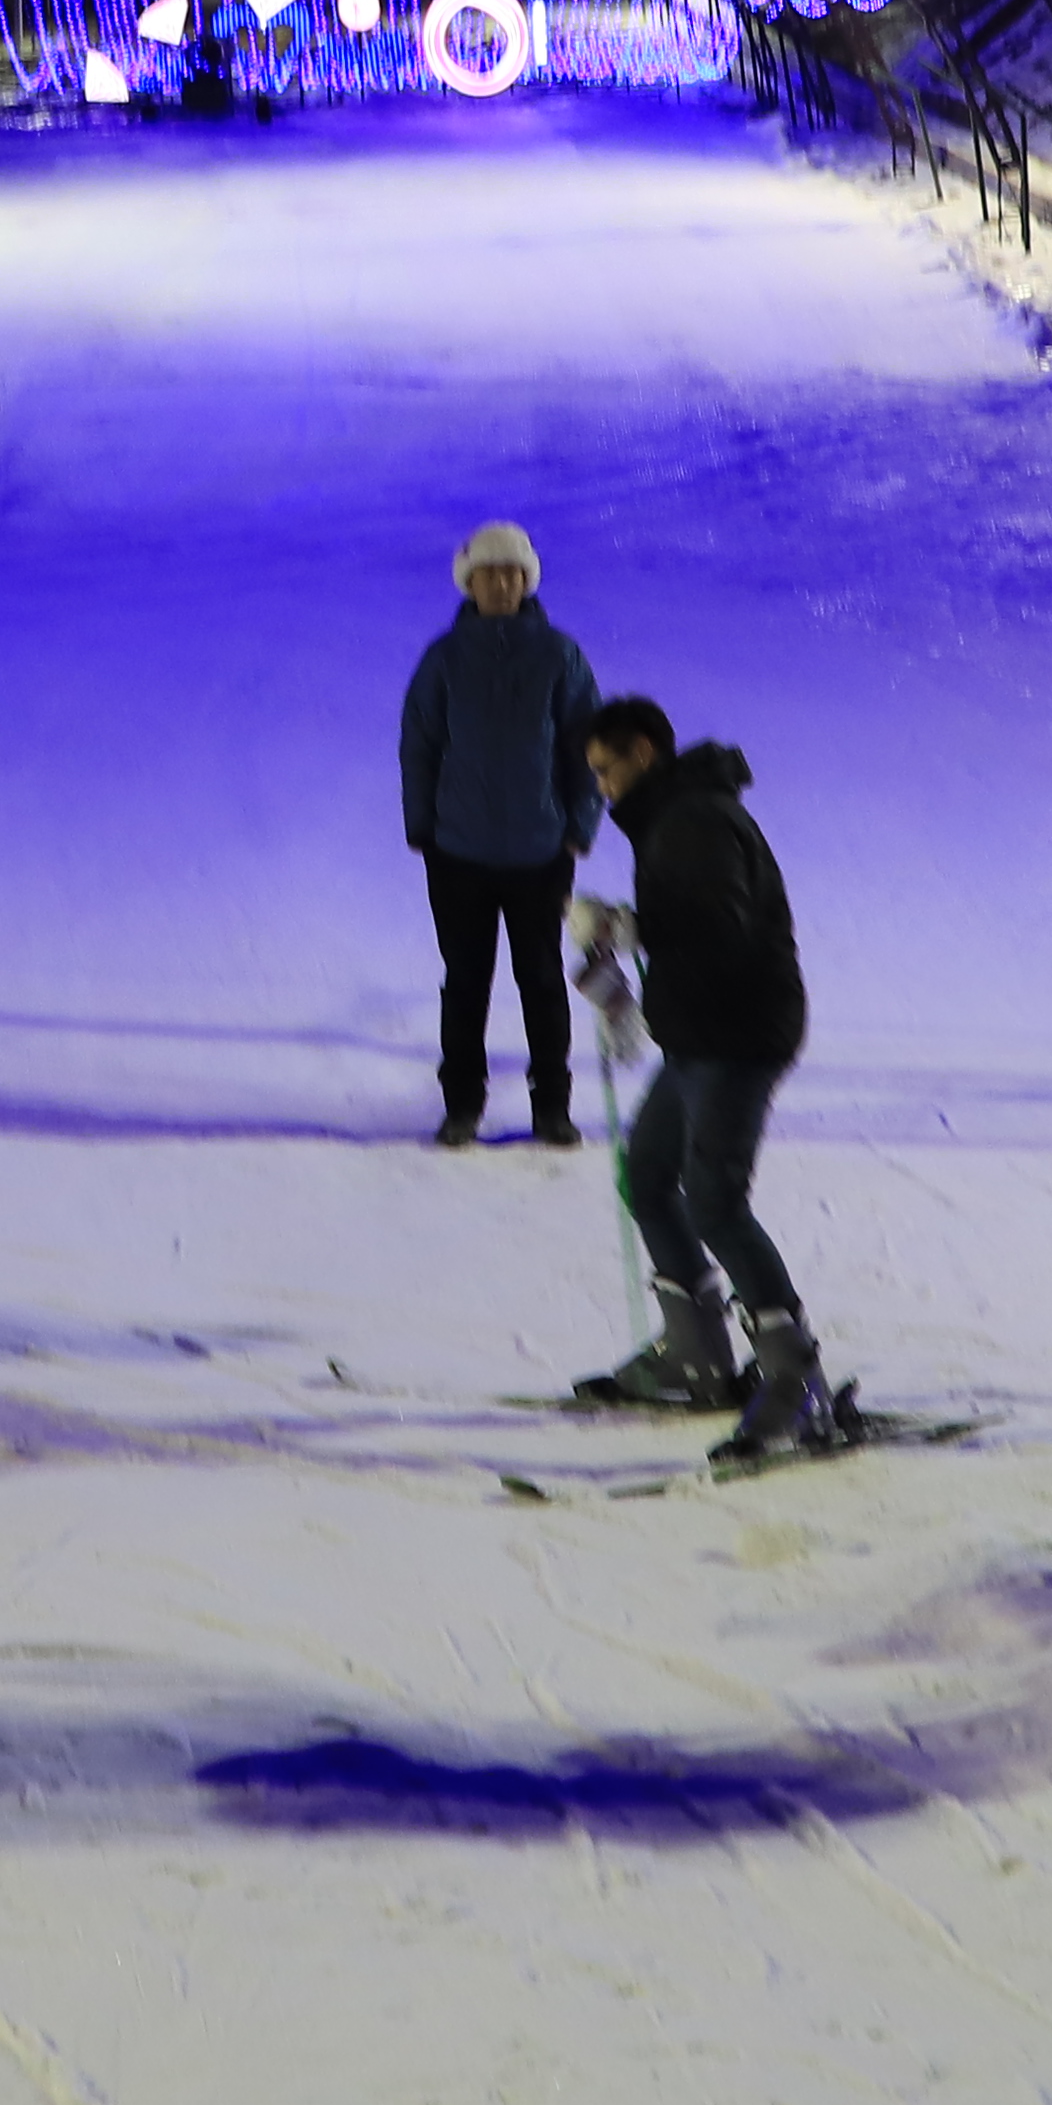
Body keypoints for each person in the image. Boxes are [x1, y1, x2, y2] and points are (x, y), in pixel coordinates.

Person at [566, 691, 837, 1453]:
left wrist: (627, 927)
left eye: (608, 769)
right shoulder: (670, 816)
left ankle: (796, 1379)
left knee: (715, 1200)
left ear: (644, 753)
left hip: (741, 1033)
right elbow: (692, 928)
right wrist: (624, 986)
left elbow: (717, 929)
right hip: (698, 1035)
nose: (603, 787)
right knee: (648, 1174)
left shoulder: (696, 819)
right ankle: (696, 1356)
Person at [398, 521, 601, 1147]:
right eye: (491, 573)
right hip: (458, 851)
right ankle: (462, 1104)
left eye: (514, 573)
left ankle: (553, 1108)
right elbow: (420, 746)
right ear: (470, 583)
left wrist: (579, 828)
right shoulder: (444, 658)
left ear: (528, 581)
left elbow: (587, 747)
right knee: (465, 981)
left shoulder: (559, 655)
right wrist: (422, 828)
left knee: (541, 979)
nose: (503, 584)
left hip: (540, 852)